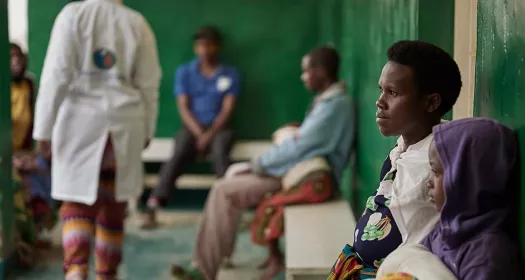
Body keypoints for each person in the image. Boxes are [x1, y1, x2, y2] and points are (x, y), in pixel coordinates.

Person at [170, 46, 354, 280]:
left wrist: (255, 165)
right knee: (229, 184)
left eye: (306, 71)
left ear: (322, 71)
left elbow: (300, 146)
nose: (303, 77)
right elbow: (307, 140)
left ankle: (204, 268)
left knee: (224, 189)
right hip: (296, 171)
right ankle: (216, 256)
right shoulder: (329, 101)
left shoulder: (335, 105)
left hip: (309, 178)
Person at [32, 0, 161, 279]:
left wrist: (43, 130)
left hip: (79, 124)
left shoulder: (73, 15)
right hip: (124, 127)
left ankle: (76, 270)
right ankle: (106, 273)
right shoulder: (137, 23)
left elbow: (56, 76)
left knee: (77, 203)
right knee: (113, 205)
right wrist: (148, 130)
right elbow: (149, 84)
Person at [327, 40, 462, 280]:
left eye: (393, 93)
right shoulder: (404, 145)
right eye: (381, 89)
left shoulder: (438, 161)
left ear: (431, 102)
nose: (380, 101)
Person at [141, 25, 240, 228]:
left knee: (221, 154)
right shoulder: (185, 72)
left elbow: (227, 109)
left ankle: (231, 209)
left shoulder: (230, 74)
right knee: (178, 154)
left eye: (209, 45)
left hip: (219, 128)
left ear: (218, 47)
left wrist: (209, 134)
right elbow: (183, 107)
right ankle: (153, 206)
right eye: (201, 45)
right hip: (192, 127)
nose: (205, 49)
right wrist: (198, 133)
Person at [423, 118, 522, 280]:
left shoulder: (485, 259)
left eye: (436, 172)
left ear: (467, 179)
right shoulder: (443, 232)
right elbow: (414, 258)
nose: (428, 182)